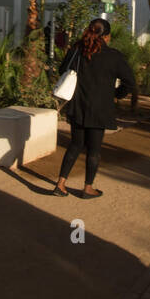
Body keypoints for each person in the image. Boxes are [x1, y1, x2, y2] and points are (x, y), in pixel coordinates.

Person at [53, 18, 139, 199]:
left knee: (75, 145)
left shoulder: (77, 50)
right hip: (100, 108)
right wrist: (117, 94)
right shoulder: (114, 56)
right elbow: (130, 81)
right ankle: (88, 188)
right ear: (107, 37)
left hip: (78, 105)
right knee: (94, 150)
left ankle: (60, 184)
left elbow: (63, 69)